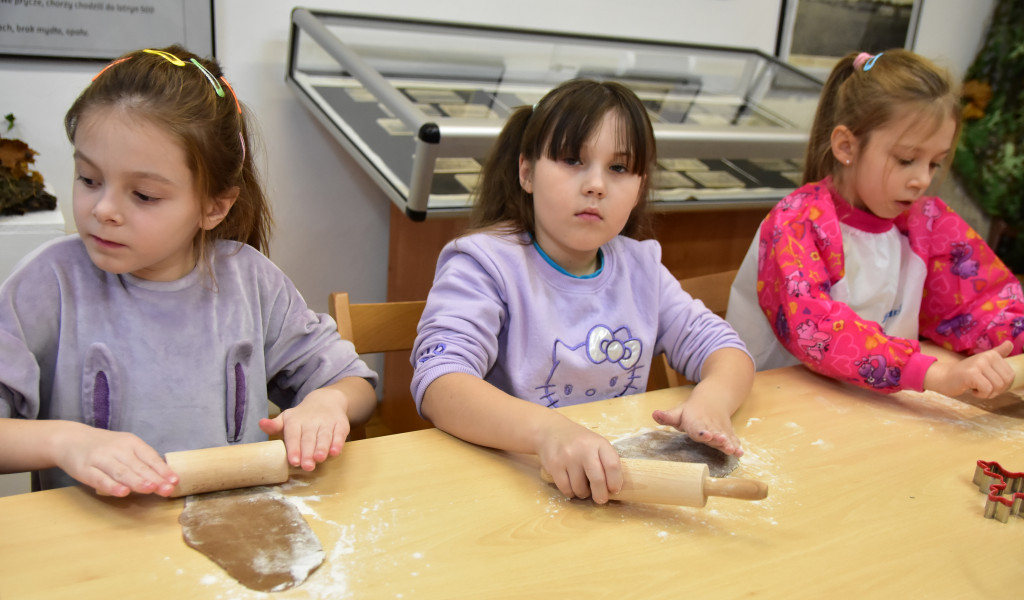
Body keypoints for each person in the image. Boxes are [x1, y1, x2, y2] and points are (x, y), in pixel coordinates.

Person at [0, 46, 378, 496]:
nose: (103, 210)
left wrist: (326, 404)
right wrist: (64, 441)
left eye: (143, 195)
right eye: (88, 179)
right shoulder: (47, 283)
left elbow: (353, 385)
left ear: (214, 207)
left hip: (237, 528)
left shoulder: (250, 280)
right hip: (97, 547)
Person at [411, 79, 754, 505]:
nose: (596, 185)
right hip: (509, 490)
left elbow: (726, 349)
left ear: (639, 187)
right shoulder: (485, 265)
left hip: (607, 490)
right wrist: (547, 431)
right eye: (573, 160)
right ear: (527, 172)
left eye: (619, 168)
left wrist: (713, 400)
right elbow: (440, 383)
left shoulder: (640, 268)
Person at [727, 49, 1024, 398]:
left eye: (935, 163)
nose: (922, 180)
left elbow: (981, 305)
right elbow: (821, 332)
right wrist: (932, 374)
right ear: (846, 146)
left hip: (875, 408)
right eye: (907, 160)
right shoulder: (797, 224)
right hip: (781, 407)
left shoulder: (927, 222)